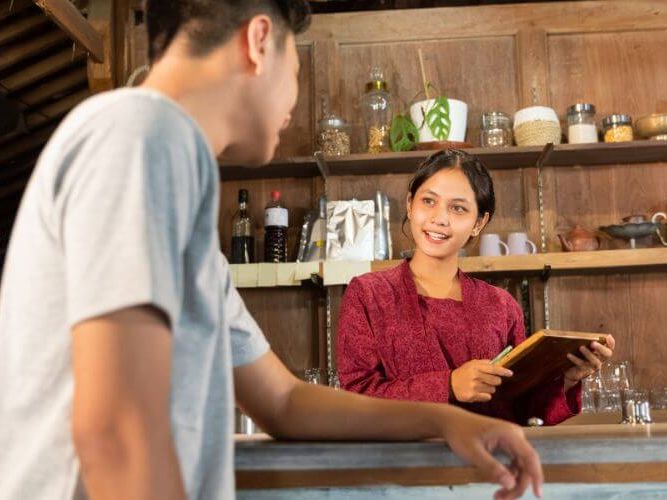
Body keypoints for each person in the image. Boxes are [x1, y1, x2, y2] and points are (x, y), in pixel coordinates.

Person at [0, 3, 543, 500]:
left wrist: (445, 420)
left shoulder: (168, 178)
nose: (292, 102)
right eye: (297, 74)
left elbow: (283, 402)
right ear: (260, 41)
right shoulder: (145, 133)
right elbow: (115, 430)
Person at [336, 149, 615, 425]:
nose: (440, 218)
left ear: (479, 222)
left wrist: (568, 378)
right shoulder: (368, 294)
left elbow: (521, 407)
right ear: (410, 204)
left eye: (458, 208)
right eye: (428, 201)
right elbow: (355, 397)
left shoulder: (502, 305)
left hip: (488, 461)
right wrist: (448, 385)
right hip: (403, 465)